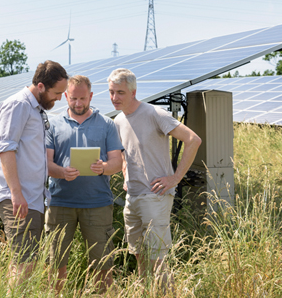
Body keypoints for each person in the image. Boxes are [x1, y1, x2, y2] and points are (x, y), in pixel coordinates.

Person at [107, 68, 202, 294]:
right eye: (111, 92)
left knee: (156, 258)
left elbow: (193, 140)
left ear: (133, 92)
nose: (114, 98)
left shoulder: (154, 114)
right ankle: (146, 292)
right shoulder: (118, 120)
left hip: (155, 195)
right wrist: (126, 175)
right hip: (133, 196)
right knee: (139, 255)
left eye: (120, 92)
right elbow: (125, 152)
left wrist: (175, 178)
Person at [45, 75, 124, 294]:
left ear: (90, 96)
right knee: (55, 263)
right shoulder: (53, 124)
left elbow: (117, 162)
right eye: (73, 99)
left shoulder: (107, 124)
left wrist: (104, 168)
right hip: (60, 202)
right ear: (66, 97)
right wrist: (62, 172)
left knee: (102, 264)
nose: (78, 103)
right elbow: (46, 163)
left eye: (82, 98)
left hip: (97, 203)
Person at [0, 60, 69, 285]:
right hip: (18, 198)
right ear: (42, 86)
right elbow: (5, 149)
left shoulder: (35, 108)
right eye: (57, 93)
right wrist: (16, 194)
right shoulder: (18, 105)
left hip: (31, 198)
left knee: (23, 262)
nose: (59, 98)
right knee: (25, 264)